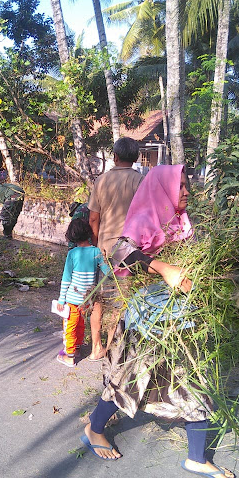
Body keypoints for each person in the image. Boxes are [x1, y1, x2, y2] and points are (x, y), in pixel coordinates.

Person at [81, 165, 234, 478]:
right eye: (181, 187)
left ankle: (196, 457)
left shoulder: (183, 223)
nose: (187, 193)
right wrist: (163, 268)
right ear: (163, 189)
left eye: (188, 187)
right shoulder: (143, 218)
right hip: (147, 319)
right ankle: (94, 429)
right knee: (126, 382)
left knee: (193, 381)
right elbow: (122, 251)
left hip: (183, 318)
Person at [86, 137, 144, 360]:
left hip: (104, 250)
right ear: (136, 158)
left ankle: (95, 349)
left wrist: (96, 244)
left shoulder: (102, 181)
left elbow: (93, 218)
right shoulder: (140, 181)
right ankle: (111, 348)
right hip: (129, 251)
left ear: (115, 157)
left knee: (99, 299)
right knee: (120, 301)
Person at [56, 219, 110, 367]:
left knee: (70, 327)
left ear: (72, 235)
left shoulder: (72, 253)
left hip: (72, 299)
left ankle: (69, 356)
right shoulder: (96, 251)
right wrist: (106, 258)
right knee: (80, 324)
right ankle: (77, 348)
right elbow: (107, 273)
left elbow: (66, 278)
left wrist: (61, 299)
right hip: (87, 299)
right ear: (88, 232)